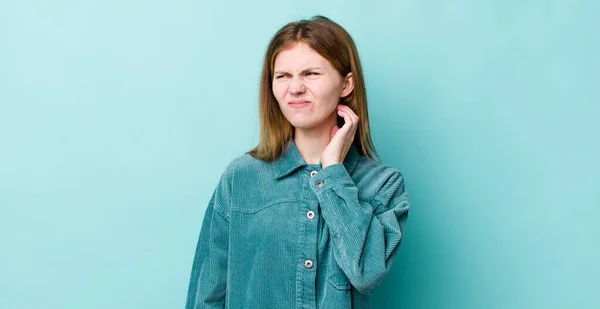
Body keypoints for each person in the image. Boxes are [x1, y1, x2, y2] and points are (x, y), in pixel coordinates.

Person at [185, 15, 411, 309]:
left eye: (311, 74)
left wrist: (332, 172)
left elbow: (366, 274)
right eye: (283, 76)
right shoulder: (240, 178)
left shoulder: (383, 185)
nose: (296, 88)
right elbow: (207, 295)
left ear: (346, 83)